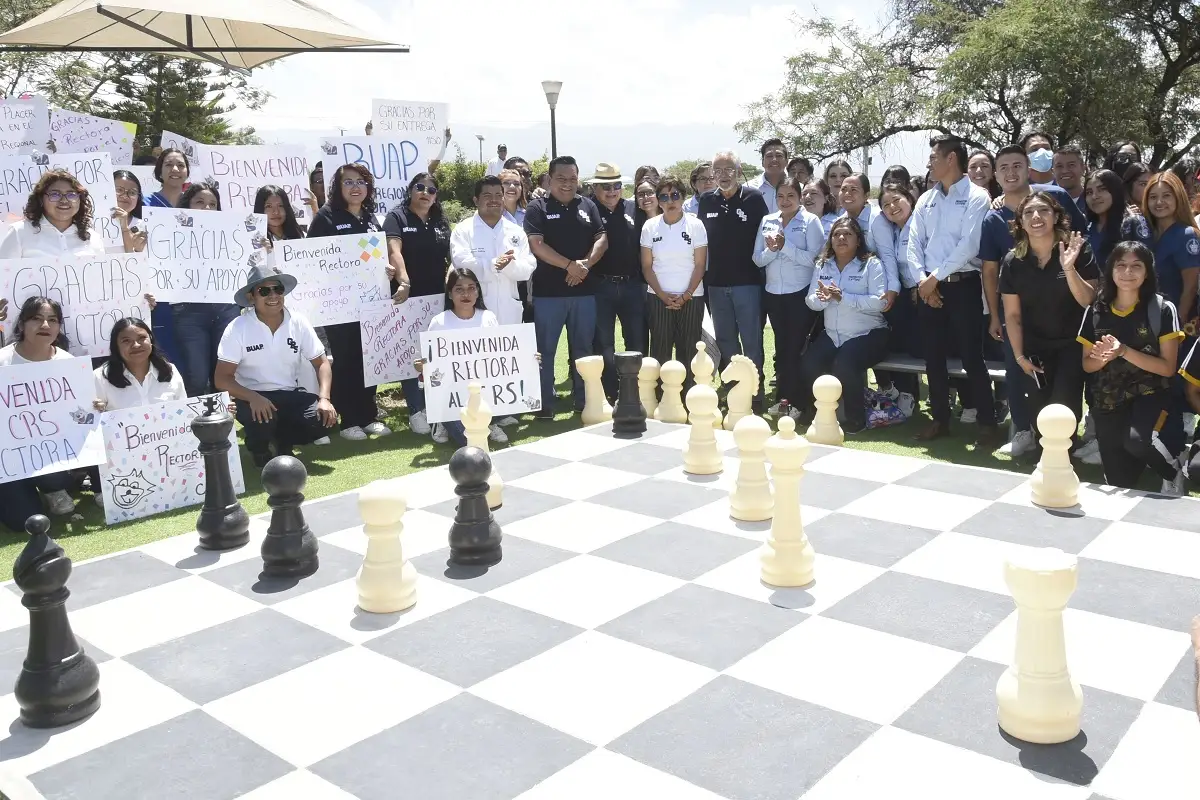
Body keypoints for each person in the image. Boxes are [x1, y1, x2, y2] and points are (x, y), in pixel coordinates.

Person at [979, 144, 1089, 455]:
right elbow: (989, 270)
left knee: (1066, 387)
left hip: (1066, 316)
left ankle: (1071, 439)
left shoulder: (1055, 197)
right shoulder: (994, 218)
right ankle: (1025, 431)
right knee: (1020, 371)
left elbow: (1078, 241)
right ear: (997, 175)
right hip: (1019, 311)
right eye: (1004, 168)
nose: (1011, 172)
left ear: (1029, 169)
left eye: (1017, 165)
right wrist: (994, 314)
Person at [907, 134, 1000, 442]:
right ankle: (940, 421)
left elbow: (969, 245)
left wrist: (934, 277)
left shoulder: (977, 196)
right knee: (932, 356)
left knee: (972, 356)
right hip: (928, 289)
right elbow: (913, 243)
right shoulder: (925, 198)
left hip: (964, 286)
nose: (929, 163)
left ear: (951, 159)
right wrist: (924, 280)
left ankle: (987, 423)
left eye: (934, 157)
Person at [1079, 241, 1185, 492]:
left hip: (1150, 392)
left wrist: (1124, 351)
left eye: (1136, 266)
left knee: (1137, 442)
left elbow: (1168, 368)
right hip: (1108, 397)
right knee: (1118, 482)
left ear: (1147, 272)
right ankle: (1136, 463)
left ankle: (1173, 472)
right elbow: (1087, 365)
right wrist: (1102, 358)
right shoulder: (1095, 310)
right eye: (1121, 265)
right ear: (1111, 270)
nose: (1128, 272)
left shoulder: (1162, 309)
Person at [214, 265, 336, 467]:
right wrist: (253, 397)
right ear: (251, 297)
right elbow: (221, 378)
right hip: (251, 396)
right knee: (263, 419)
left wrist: (325, 399)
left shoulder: (298, 321)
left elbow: (321, 362)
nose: (273, 295)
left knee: (321, 419)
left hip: (289, 392)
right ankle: (259, 448)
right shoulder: (237, 327)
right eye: (264, 291)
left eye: (277, 289)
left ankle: (283, 444)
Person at [1000, 193, 1099, 441]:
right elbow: (1012, 315)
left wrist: (1068, 268)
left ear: (1055, 216)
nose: (1036, 217)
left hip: (1071, 346)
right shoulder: (1013, 261)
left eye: (1043, 210)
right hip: (1035, 348)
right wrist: (1020, 357)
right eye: (1029, 212)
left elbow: (1088, 300)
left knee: (1064, 410)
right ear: (1020, 222)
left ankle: (1064, 462)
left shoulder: (1078, 249)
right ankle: (1045, 460)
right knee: (1039, 411)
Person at [309, 163, 391, 441]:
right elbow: (313, 261)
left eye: (361, 182)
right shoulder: (326, 217)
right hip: (339, 305)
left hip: (370, 303)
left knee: (370, 358)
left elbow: (375, 257)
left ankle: (368, 415)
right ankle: (348, 421)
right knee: (345, 361)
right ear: (338, 187)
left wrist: (386, 268)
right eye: (348, 182)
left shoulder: (371, 217)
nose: (355, 187)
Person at [523, 155, 607, 416]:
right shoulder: (537, 208)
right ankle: (545, 404)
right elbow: (536, 245)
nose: (568, 184)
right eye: (561, 178)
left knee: (583, 349)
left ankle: (583, 401)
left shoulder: (588, 205)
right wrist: (570, 265)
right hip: (549, 294)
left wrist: (584, 265)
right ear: (549, 179)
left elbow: (602, 238)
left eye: (572, 178)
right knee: (545, 351)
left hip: (584, 292)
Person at [87, 318, 188, 507]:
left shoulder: (170, 371)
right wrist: (94, 411)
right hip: (121, 462)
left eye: (142, 338)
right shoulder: (100, 377)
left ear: (151, 339)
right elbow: (88, 426)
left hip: (167, 456)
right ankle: (101, 486)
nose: (135, 345)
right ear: (115, 346)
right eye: (126, 341)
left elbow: (184, 417)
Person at [803, 217, 890, 433]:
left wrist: (844, 297)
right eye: (836, 234)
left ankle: (855, 420)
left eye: (848, 234)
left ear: (858, 240)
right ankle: (818, 413)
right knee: (810, 363)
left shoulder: (871, 264)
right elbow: (811, 301)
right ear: (830, 240)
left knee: (845, 363)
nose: (841, 238)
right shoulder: (823, 264)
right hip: (833, 334)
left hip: (869, 333)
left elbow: (880, 302)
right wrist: (822, 298)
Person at [0, 297, 80, 528]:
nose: (45, 326)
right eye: (36, 319)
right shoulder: (3, 361)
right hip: (9, 456)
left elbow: (80, 417)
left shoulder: (69, 363)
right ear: (22, 324)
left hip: (54, 454)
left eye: (52, 320)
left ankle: (54, 488)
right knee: (21, 522)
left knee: (55, 476)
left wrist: (93, 408)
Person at [699, 150, 770, 408]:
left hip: (748, 282)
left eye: (728, 169)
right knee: (726, 339)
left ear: (738, 171)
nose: (723, 175)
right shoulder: (706, 200)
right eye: (717, 170)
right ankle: (733, 389)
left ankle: (755, 390)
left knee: (751, 339)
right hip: (716, 284)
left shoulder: (753, 198)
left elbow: (766, 234)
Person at [753, 176, 824, 416]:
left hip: (800, 293)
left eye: (790, 196)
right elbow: (757, 258)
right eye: (780, 196)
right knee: (782, 349)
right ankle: (784, 400)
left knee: (795, 348)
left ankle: (799, 402)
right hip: (774, 294)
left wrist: (785, 247)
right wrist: (773, 250)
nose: (785, 201)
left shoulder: (810, 221)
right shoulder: (768, 220)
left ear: (800, 197)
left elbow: (814, 259)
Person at [417, 268, 510, 445]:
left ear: (477, 291)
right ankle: (441, 421)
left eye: (471, 288)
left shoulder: (488, 318)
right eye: (459, 289)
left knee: (516, 399)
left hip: (485, 388)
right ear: (450, 294)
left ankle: (492, 423)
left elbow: (503, 353)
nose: (466, 294)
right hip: (452, 394)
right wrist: (422, 366)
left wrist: (528, 359)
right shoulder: (440, 322)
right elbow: (430, 363)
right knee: (467, 440)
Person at [167, 180, 242, 398]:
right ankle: (194, 424)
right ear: (187, 205)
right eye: (200, 202)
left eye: (212, 203)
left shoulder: (231, 233)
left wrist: (259, 248)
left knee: (224, 373)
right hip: (189, 312)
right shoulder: (170, 233)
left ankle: (224, 425)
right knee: (196, 376)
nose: (207, 208)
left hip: (225, 309)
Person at [585, 163, 647, 399]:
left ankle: (636, 389)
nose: (612, 191)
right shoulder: (589, 210)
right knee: (604, 344)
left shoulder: (633, 208)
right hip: (601, 286)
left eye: (617, 185)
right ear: (595, 188)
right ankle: (610, 391)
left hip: (632, 285)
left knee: (636, 339)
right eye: (606, 186)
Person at [641, 174, 709, 391]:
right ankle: (661, 399)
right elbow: (646, 266)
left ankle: (689, 399)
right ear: (658, 201)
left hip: (691, 298)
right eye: (664, 197)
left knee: (688, 351)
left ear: (683, 197)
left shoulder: (696, 225)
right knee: (660, 351)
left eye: (675, 195)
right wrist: (662, 295)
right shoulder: (650, 227)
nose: (670, 201)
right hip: (658, 298)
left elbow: (700, 265)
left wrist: (686, 295)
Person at [450, 175, 535, 327]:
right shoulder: (463, 230)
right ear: (476, 200)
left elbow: (528, 267)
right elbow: (461, 264)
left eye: (498, 195)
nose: (494, 200)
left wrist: (509, 266)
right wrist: (493, 264)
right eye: (487, 196)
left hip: (509, 310)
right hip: (474, 310)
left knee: (510, 350)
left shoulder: (515, 231)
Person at [871, 181, 922, 402]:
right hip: (908, 295)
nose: (892, 207)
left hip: (926, 292)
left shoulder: (921, 224)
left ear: (909, 199)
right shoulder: (895, 231)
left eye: (896, 200)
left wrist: (921, 286)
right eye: (885, 205)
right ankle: (906, 396)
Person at [0, 169, 104, 259]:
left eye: (71, 195)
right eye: (55, 194)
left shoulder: (93, 238)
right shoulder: (18, 233)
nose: (64, 200)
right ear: (41, 199)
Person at [1144, 171, 1199, 327]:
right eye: (1153, 197)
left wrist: (1178, 323)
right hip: (1146, 320)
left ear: (1178, 197)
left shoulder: (1186, 234)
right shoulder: (1145, 234)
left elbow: (1190, 286)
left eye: (1166, 195)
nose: (1159, 202)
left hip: (1174, 322)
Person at [1084, 169, 1152, 267]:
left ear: (1115, 191)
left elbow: (1148, 264)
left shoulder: (1133, 222)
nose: (1094, 196)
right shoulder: (1087, 227)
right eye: (1089, 192)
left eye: (1102, 189)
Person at [745, 138, 788, 214]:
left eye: (779, 155)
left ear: (786, 161)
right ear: (762, 162)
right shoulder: (748, 188)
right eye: (769, 156)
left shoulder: (800, 189)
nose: (774, 159)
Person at [111, 169, 147, 254]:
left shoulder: (144, 227)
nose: (124, 196)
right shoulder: (90, 221)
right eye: (119, 190)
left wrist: (138, 251)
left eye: (132, 193)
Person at [1052, 145, 1088, 213]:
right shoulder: (1048, 204)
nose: (1065, 171)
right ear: (1053, 171)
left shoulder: (1093, 202)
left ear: (1083, 169)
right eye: (1059, 166)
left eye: (1071, 165)